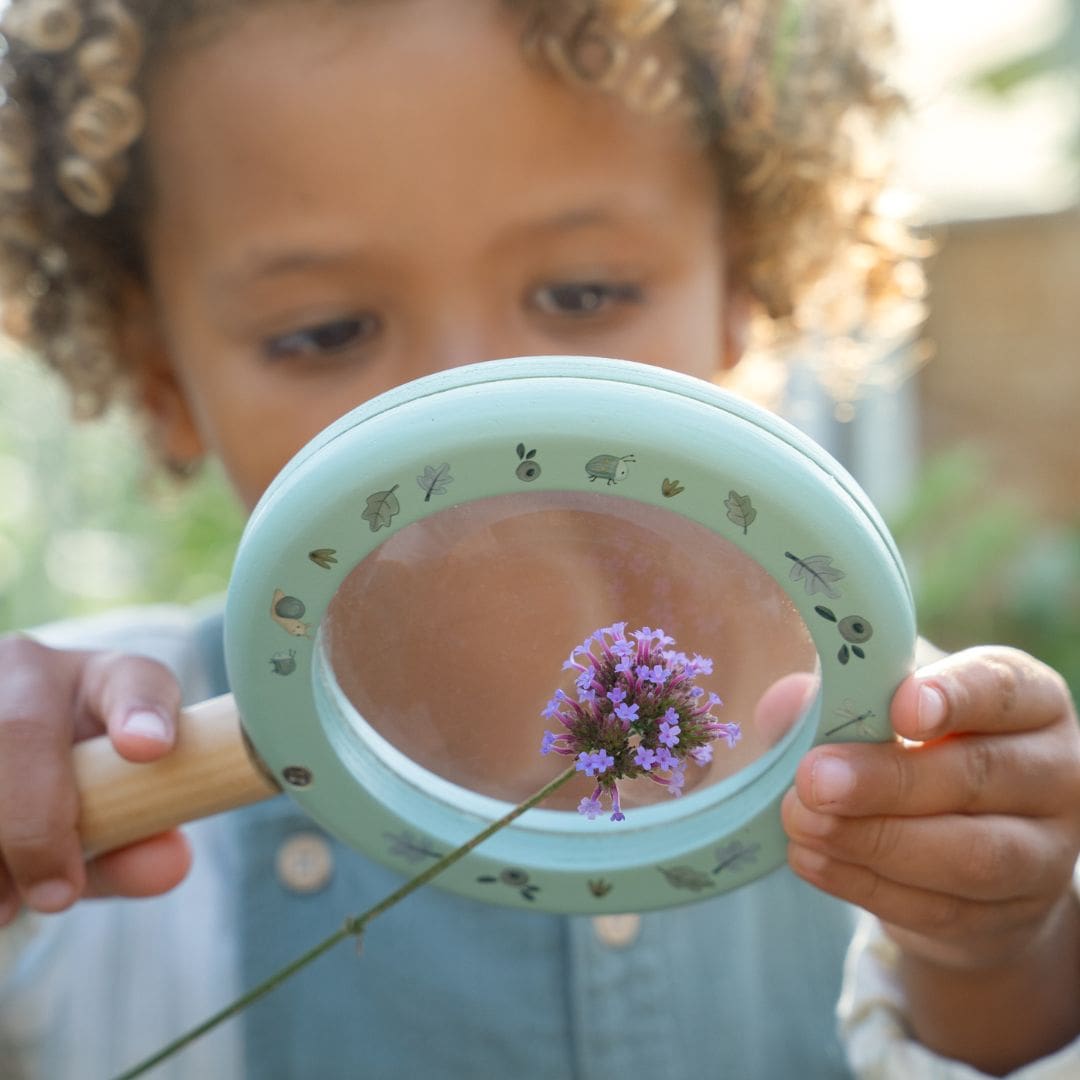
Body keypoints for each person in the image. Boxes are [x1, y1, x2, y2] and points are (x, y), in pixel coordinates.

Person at [0, 1, 1078, 1077]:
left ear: (741, 289)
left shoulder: (891, 751)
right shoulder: (105, 771)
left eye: (582, 293)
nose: (475, 405)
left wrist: (992, 956)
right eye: (325, 331)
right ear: (161, 377)